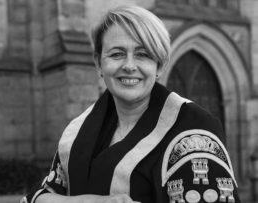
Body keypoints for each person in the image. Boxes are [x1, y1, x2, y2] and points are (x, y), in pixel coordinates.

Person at [21, 5, 240, 203]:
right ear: (98, 63)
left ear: (160, 65)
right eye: (116, 54)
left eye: (143, 54)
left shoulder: (194, 130)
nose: (129, 65)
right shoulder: (79, 130)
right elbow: (37, 198)